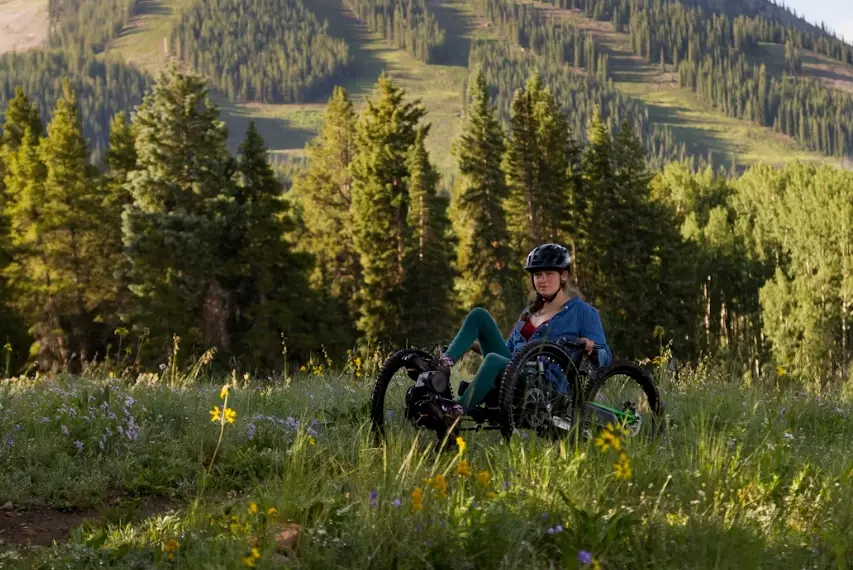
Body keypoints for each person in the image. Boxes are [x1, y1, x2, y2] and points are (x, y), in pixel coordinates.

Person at [414, 243, 612, 431]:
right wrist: (470, 346)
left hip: (545, 388)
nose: (542, 280)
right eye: (537, 275)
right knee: (479, 315)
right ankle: (443, 367)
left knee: (493, 360)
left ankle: (457, 412)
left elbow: (605, 358)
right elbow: (508, 354)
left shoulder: (583, 312)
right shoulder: (529, 314)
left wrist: (591, 347)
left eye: (549, 274)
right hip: (515, 373)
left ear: (563, 276)